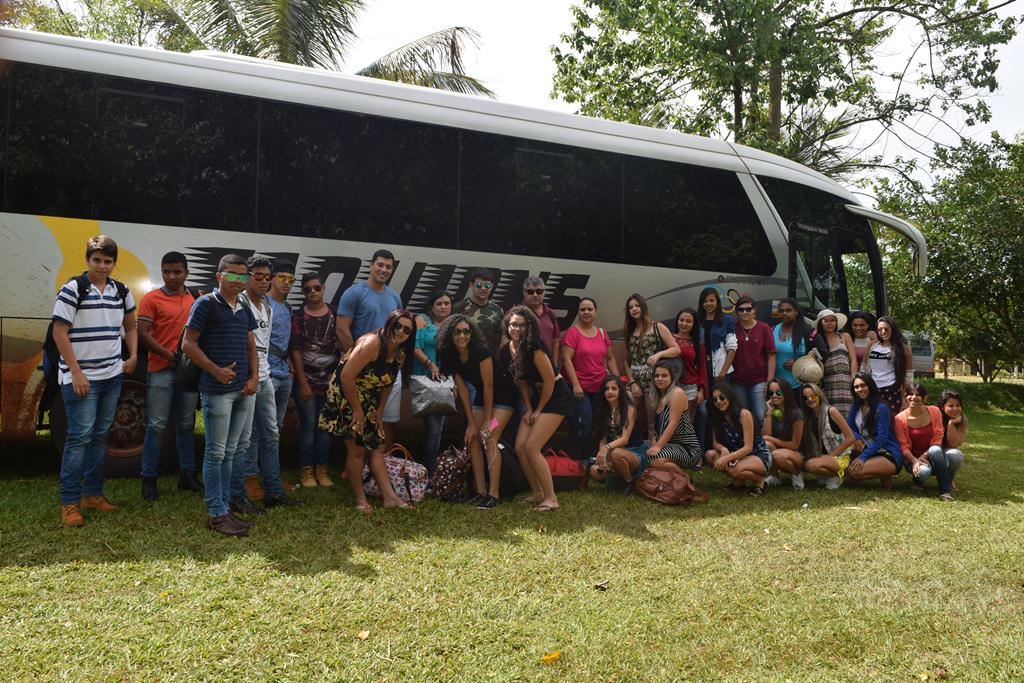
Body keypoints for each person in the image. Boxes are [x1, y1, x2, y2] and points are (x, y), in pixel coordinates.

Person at [52, 235, 138, 527]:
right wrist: (75, 372)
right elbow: (59, 333)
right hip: (82, 379)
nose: (102, 266)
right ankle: (70, 503)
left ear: (114, 263)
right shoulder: (73, 288)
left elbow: (130, 325)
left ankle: (93, 494)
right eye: (97, 260)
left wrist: (133, 355)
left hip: (111, 376)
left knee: (100, 437)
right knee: (79, 438)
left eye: (108, 261)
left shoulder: (121, 290)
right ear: (88, 260)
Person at [183, 254, 258, 537]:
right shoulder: (205, 305)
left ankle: (225, 508)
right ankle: (216, 514)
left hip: (242, 390)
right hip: (217, 392)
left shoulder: (243, 307)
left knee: (229, 451)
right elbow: (187, 344)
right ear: (219, 276)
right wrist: (215, 370)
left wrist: (253, 379)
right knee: (215, 453)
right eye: (233, 275)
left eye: (243, 276)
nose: (239, 281)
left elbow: (251, 347)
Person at [319, 310, 417, 513]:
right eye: (397, 325)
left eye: (406, 330)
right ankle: (360, 499)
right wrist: (357, 410)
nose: (400, 331)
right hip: (346, 395)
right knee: (357, 449)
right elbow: (346, 377)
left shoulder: (400, 354)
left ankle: (390, 497)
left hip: (368, 398)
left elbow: (388, 382)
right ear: (389, 323)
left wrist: (380, 410)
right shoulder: (372, 343)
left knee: (377, 446)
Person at [229, 256, 302, 513]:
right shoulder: (239, 302)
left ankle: (274, 490)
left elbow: (262, 349)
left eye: (266, 276)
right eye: (257, 275)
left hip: (266, 376)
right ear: (248, 276)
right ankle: (239, 494)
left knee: (271, 434)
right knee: (243, 439)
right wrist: (248, 376)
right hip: (246, 380)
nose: (262, 281)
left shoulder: (268, 307)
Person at [137, 251, 199, 500]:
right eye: (166, 272)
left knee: (186, 425)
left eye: (177, 272)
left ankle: (188, 475)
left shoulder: (196, 298)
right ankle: (148, 479)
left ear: (187, 273)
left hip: (188, 372)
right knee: (156, 426)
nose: (171, 277)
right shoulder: (151, 298)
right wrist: (168, 354)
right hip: (160, 370)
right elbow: (142, 333)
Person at [437, 314, 517, 509]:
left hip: (504, 395)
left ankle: (494, 494)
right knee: (472, 438)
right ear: (450, 334)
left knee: (489, 438)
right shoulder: (447, 353)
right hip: (483, 395)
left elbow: (489, 385)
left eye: (467, 331)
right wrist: (471, 423)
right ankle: (479, 491)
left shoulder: (481, 350)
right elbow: (463, 389)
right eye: (458, 332)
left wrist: (488, 421)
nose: (463, 335)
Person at [338, 249, 404, 448]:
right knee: (358, 417)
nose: (383, 270)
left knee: (385, 419)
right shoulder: (354, 293)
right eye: (380, 265)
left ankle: (384, 463)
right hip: (362, 369)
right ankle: (356, 466)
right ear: (371, 265)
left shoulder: (395, 297)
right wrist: (356, 360)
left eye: (388, 267)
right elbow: (342, 329)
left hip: (389, 370)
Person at [507, 306, 569, 512]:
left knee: (532, 447)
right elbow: (522, 382)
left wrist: (538, 410)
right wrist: (528, 409)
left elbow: (550, 381)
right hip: (536, 398)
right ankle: (537, 492)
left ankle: (552, 498)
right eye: (513, 324)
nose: (517, 328)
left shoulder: (535, 347)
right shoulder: (511, 347)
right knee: (520, 447)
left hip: (556, 397)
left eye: (522, 325)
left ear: (530, 327)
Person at [610, 360, 702, 490]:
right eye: (657, 376)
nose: (659, 379)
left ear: (672, 377)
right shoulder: (658, 396)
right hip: (667, 443)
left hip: (686, 447)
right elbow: (657, 428)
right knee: (639, 447)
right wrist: (654, 442)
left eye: (664, 375)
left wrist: (658, 446)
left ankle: (685, 478)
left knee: (654, 459)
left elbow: (673, 424)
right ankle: (632, 476)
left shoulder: (677, 393)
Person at [291, 273, 342, 488]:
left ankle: (322, 470)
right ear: (303, 292)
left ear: (324, 288)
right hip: (307, 382)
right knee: (308, 426)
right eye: (308, 289)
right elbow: (295, 351)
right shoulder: (299, 317)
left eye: (317, 288)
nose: (313, 292)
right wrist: (302, 382)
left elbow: (342, 345)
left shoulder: (336, 313)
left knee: (325, 428)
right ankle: (306, 471)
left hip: (330, 382)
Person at [561, 297, 620, 459]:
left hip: (600, 387)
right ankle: (575, 460)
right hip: (580, 389)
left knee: (600, 424)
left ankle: (592, 459)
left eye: (589, 309)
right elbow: (566, 360)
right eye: (582, 309)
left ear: (595, 312)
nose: (586, 312)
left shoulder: (602, 333)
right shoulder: (572, 333)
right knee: (582, 425)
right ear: (578, 312)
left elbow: (610, 358)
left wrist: (617, 381)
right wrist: (575, 385)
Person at [623, 293, 680, 435]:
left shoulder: (657, 327)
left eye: (637, 305)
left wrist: (659, 354)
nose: (634, 309)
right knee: (626, 414)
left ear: (643, 307)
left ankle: (652, 452)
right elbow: (626, 360)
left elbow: (676, 349)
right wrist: (632, 383)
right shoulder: (630, 331)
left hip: (653, 382)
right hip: (635, 382)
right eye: (631, 307)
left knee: (651, 422)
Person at [263, 259, 298, 491]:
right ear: (272, 278)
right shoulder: (263, 303)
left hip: (284, 374)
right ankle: (251, 478)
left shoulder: (287, 307)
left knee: (275, 430)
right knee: (257, 430)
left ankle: (272, 478)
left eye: (291, 280)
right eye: (282, 278)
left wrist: (292, 369)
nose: (286, 283)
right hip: (266, 374)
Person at [704, 382, 772, 496]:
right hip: (735, 455)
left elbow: (748, 447)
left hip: (757, 454)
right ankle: (738, 482)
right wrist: (723, 449)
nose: (719, 402)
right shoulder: (716, 416)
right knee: (710, 455)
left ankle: (759, 480)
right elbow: (715, 443)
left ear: (730, 397)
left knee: (734, 469)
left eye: (722, 397)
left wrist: (726, 458)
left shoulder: (743, 414)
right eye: (715, 400)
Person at [412, 291, 453, 475]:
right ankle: (427, 470)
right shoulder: (422, 320)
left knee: (440, 428)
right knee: (434, 429)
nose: (443, 306)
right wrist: (430, 364)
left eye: (446, 303)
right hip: (424, 380)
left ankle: (430, 469)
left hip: (444, 383)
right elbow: (415, 347)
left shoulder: (452, 325)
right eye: (439, 303)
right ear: (432, 307)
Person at [845, 372, 902, 489]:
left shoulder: (881, 408)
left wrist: (862, 457)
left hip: (887, 452)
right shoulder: (856, 405)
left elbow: (881, 439)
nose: (860, 389)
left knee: (853, 472)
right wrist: (857, 439)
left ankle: (886, 473)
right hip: (869, 449)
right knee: (850, 474)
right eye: (856, 387)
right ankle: (883, 476)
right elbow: (849, 426)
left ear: (870, 386)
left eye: (863, 385)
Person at [730, 294, 776, 427]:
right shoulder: (733, 327)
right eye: (741, 309)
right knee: (742, 416)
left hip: (759, 380)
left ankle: (764, 445)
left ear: (754, 310)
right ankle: (746, 445)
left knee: (761, 415)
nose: (745, 312)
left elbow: (771, 355)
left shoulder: (764, 328)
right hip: (738, 381)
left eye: (748, 309)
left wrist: (770, 381)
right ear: (737, 312)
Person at [800, 383, 855, 490]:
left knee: (810, 465)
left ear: (819, 395)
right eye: (806, 397)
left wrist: (831, 456)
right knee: (803, 463)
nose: (810, 399)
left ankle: (837, 476)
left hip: (840, 456)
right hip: (822, 455)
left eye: (813, 395)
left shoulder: (831, 411)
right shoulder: (809, 416)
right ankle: (828, 474)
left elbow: (850, 438)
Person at [893, 383, 946, 495]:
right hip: (912, 459)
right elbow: (903, 446)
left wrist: (924, 456)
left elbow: (938, 437)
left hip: (932, 454)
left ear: (924, 397)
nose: (914, 397)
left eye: (918, 395)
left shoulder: (935, 411)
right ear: (905, 397)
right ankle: (918, 481)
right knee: (924, 473)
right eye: (910, 394)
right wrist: (915, 460)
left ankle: (945, 488)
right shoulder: (899, 419)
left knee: (953, 455)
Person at [587, 375, 638, 484]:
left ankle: (630, 482)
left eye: (614, 388)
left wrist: (606, 449)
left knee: (615, 454)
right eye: (606, 389)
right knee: (594, 471)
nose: (610, 392)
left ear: (620, 391)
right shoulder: (604, 411)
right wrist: (602, 457)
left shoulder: (629, 409)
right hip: (614, 451)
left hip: (634, 451)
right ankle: (618, 475)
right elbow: (603, 438)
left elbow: (625, 439)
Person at [761, 378, 806, 489]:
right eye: (771, 393)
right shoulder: (769, 411)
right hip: (781, 449)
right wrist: (769, 414)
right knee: (766, 445)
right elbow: (766, 436)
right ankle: (774, 476)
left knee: (776, 454)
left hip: (799, 454)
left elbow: (795, 445)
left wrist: (772, 440)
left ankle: (796, 474)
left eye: (779, 392)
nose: (774, 395)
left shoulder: (797, 414)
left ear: (786, 392)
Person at [863, 316, 912, 414]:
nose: (883, 332)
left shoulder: (904, 349)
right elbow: (864, 368)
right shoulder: (872, 345)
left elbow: (908, 376)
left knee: (891, 422)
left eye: (886, 329)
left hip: (891, 391)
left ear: (893, 329)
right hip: (872, 390)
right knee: (873, 422)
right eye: (880, 329)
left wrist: (905, 397)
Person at [812, 309, 856, 415]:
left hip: (846, 381)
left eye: (832, 320)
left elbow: (853, 359)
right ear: (820, 323)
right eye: (825, 321)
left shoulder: (844, 336)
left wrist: (854, 379)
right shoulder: (817, 340)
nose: (829, 323)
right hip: (827, 383)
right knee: (830, 415)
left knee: (849, 414)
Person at [452, 267, 505, 355]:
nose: (483, 289)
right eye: (479, 285)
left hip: (489, 360)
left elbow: (503, 338)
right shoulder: (458, 308)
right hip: (464, 359)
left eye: (487, 286)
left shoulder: (498, 310)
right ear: (471, 285)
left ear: (491, 287)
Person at [697, 286, 737, 389]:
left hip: (721, 369)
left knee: (721, 400)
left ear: (717, 302)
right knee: (705, 401)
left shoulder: (727, 320)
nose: (708, 304)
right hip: (702, 369)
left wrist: (723, 373)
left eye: (711, 300)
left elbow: (732, 348)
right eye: (705, 301)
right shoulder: (698, 321)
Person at [935, 389, 968, 501]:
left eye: (958, 405)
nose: (955, 409)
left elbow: (954, 444)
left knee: (956, 455)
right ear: (942, 406)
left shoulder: (962, 420)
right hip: (931, 450)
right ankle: (918, 481)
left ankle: (948, 479)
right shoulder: (934, 416)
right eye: (950, 405)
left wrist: (951, 424)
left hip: (947, 449)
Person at [521, 276, 561, 366]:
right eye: (530, 292)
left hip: (548, 368)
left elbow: (556, 342)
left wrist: (554, 366)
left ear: (544, 293)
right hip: (524, 367)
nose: (535, 295)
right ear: (524, 293)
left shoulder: (550, 313)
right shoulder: (516, 314)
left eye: (539, 291)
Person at [772, 298, 812, 388]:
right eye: (781, 311)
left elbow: (822, 353)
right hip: (777, 385)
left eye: (788, 310)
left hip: (800, 385)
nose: (784, 313)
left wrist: (798, 363)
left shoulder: (807, 331)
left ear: (796, 312)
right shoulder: (773, 329)